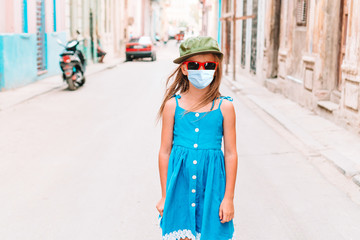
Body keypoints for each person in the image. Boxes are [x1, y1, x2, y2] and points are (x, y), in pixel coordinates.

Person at [156, 36, 238, 240]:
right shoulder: (171, 106)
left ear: (216, 68)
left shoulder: (225, 107)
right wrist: (166, 195)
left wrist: (228, 198)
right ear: (184, 68)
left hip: (212, 188)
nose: (202, 70)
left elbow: (230, 154)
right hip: (180, 189)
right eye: (194, 64)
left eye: (209, 65)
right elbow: (165, 152)